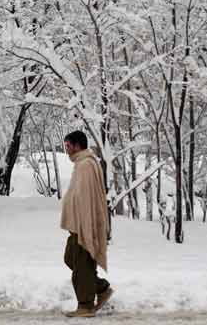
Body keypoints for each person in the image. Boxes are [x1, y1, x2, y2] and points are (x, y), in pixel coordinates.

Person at [60, 130, 113, 318]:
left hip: (83, 226)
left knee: (81, 265)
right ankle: (101, 288)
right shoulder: (83, 164)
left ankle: (86, 305)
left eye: (68, 146)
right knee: (71, 259)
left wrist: (85, 228)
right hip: (77, 226)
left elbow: (86, 200)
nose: (66, 150)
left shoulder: (85, 166)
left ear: (77, 145)